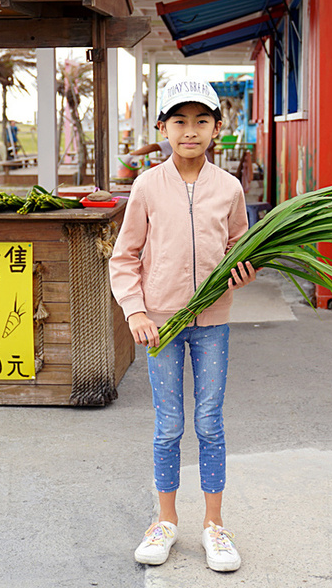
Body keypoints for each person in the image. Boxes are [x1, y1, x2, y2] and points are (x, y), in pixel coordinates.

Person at [108, 78, 257, 573]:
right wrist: (135, 309)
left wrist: (245, 269)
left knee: (209, 423)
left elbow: (241, 247)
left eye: (201, 121)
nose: (189, 131)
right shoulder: (147, 185)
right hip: (161, 326)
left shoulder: (229, 188)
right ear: (162, 128)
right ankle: (165, 521)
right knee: (168, 425)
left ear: (217, 127)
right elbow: (124, 256)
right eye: (179, 121)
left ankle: (215, 526)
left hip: (212, 322)